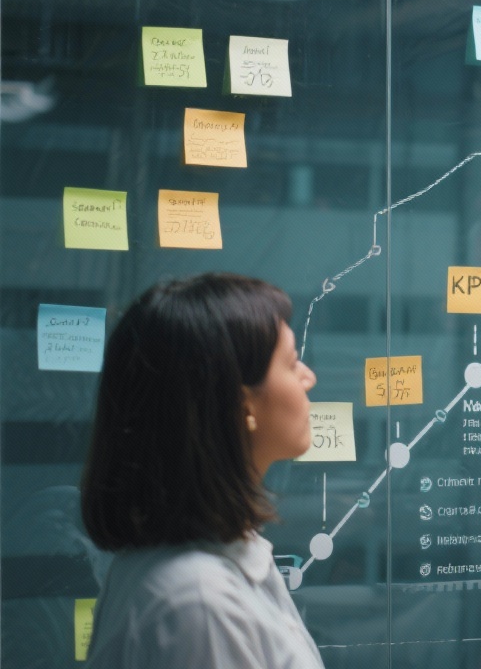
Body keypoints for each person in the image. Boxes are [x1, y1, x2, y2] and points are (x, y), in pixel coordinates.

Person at [80, 273, 325, 668]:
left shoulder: (184, 570)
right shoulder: (199, 604)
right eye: (292, 362)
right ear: (243, 405)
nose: (308, 378)